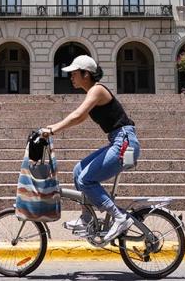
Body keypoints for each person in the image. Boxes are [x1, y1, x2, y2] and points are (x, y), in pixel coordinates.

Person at [39, 54, 140, 243]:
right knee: (79, 171)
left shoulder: (97, 90)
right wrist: (51, 127)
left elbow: (77, 115)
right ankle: (86, 218)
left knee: (86, 179)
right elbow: (79, 118)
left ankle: (119, 217)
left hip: (125, 142)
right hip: (119, 141)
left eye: (74, 73)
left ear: (86, 74)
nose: (71, 77)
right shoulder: (92, 94)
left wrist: (51, 130)